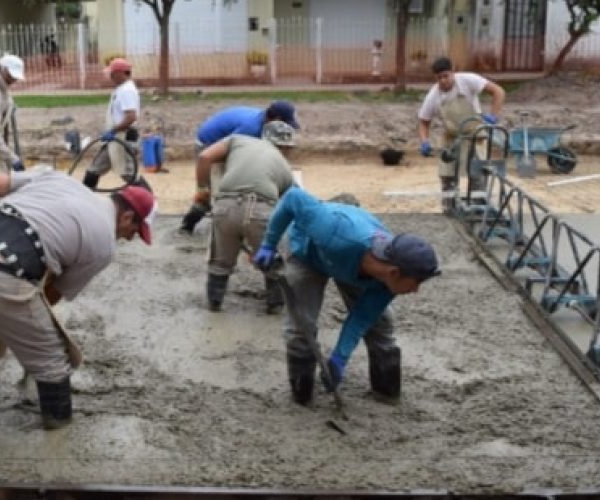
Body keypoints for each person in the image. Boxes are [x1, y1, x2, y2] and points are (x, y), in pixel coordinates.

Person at [0, 168, 156, 430]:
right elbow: (50, 295)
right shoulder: (104, 244)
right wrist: (15, 326)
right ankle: (57, 435)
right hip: (1, 272)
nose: (131, 238)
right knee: (51, 361)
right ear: (127, 216)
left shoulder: (58, 178)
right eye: (135, 230)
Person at [252, 187, 440, 405]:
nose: (416, 290)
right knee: (301, 326)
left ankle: (386, 392)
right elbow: (293, 198)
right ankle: (302, 396)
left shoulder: (388, 282)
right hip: (309, 253)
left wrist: (339, 358)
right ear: (394, 272)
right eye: (417, 282)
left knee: (380, 324)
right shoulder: (335, 232)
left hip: (353, 266)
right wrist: (268, 244)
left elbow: (362, 317)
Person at [197, 121, 297, 314]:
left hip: (225, 206)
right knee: (273, 264)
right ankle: (275, 306)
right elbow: (288, 207)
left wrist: (203, 191)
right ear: (285, 147)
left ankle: (215, 304)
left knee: (220, 262)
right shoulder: (285, 168)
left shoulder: (237, 140)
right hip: (262, 210)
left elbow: (204, 156)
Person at [179, 101, 301, 234]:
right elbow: (213, 156)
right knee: (223, 190)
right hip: (208, 145)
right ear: (276, 120)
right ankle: (192, 223)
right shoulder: (249, 130)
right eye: (286, 124)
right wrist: (202, 188)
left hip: (219, 142)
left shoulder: (264, 123)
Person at [416, 56, 505, 211]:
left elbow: (498, 91)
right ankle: (449, 210)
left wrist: (493, 115)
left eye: (446, 76)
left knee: (477, 174)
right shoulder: (433, 96)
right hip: (452, 138)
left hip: (474, 135)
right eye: (439, 78)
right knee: (448, 176)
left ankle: (479, 209)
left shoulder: (468, 80)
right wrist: (424, 141)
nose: (443, 80)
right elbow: (424, 121)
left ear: (453, 72)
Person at [83, 58, 147, 191]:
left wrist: (113, 130)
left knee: (128, 173)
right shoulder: (122, 89)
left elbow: (131, 116)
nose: (110, 77)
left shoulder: (127, 91)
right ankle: (84, 199)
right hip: (115, 137)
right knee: (94, 170)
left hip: (123, 137)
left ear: (120, 73)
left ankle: (148, 200)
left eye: (112, 74)